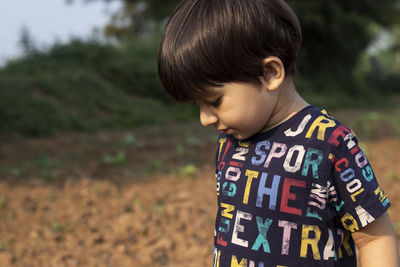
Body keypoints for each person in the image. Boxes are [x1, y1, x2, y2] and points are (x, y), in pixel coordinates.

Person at [157, 0, 400, 266]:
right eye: (197, 105)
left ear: (270, 73)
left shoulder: (331, 144)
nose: (205, 119)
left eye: (214, 101)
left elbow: (375, 239)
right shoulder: (229, 143)